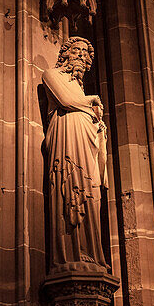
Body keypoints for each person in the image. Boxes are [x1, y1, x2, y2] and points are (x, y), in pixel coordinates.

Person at [42, 36, 109, 272]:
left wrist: (99, 127)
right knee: (68, 189)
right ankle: (68, 254)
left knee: (91, 195)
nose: (81, 56)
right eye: (76, 51)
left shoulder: (80, 89)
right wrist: (91, 101)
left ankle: (91, 253)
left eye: (85, 53)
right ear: (66, 54)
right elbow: (66, 100)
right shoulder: (52, 75)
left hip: (86, 146)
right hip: (67, 142)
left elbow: (77, 103)